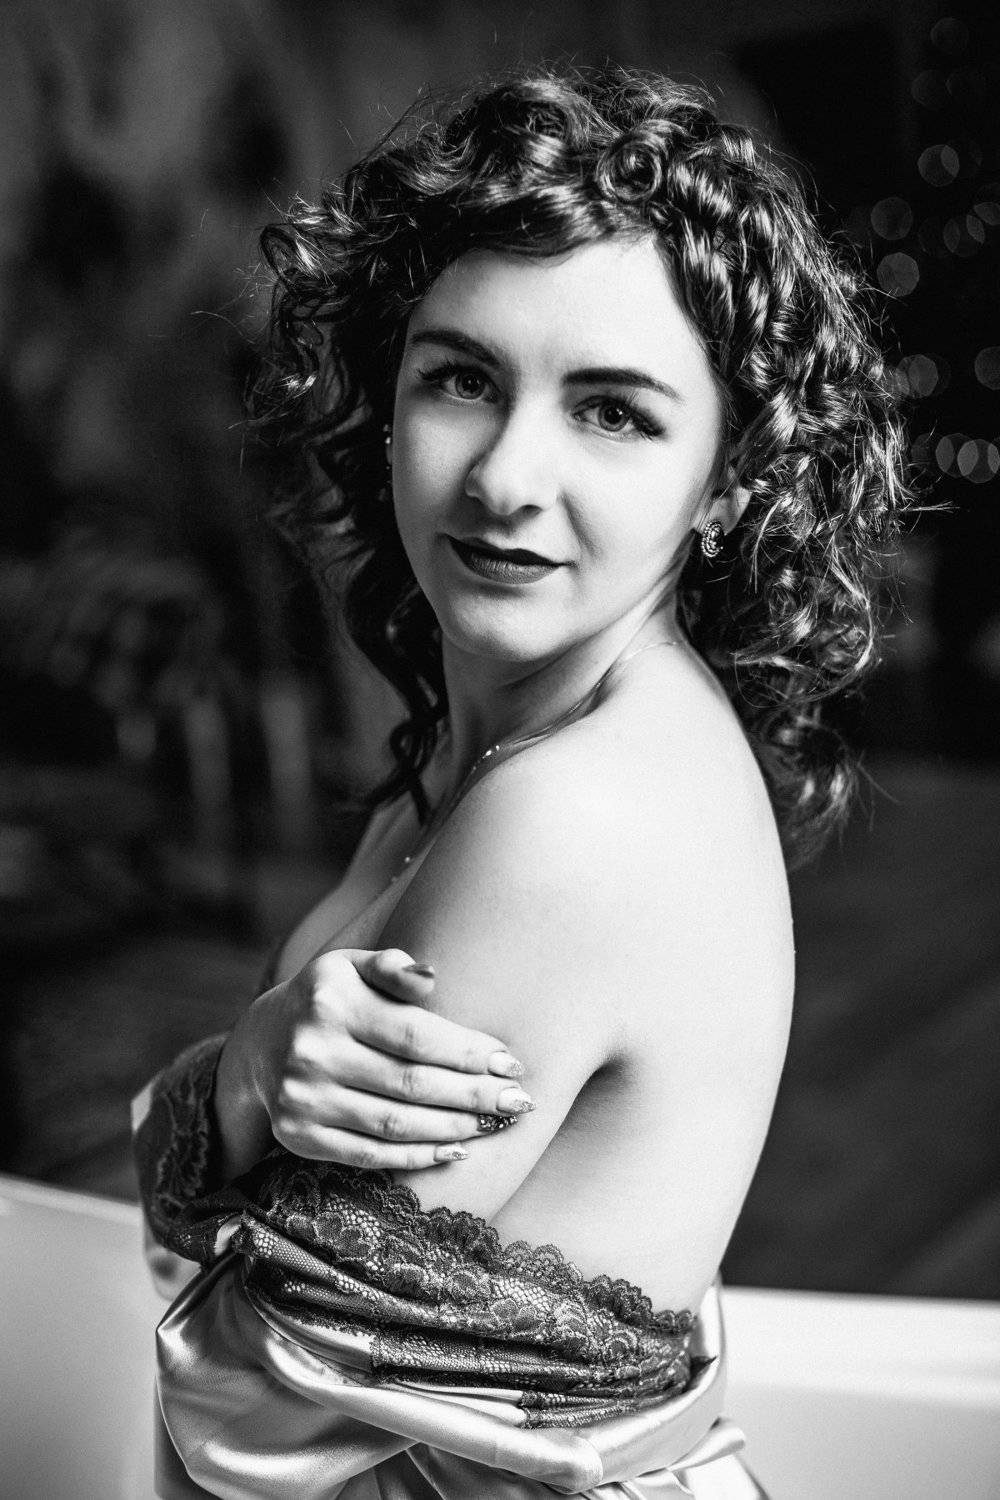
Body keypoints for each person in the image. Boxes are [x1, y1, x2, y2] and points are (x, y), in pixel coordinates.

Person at [133, 65, 906, 1498]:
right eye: (462, 378)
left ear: (729, 480)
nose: (503, 477)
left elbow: (253, 1407)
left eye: (612, 412)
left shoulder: (576, 814)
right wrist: (241, 1082)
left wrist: (217, 1094)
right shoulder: (488, 738)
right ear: (388, 400)